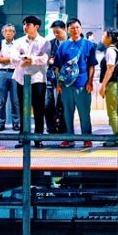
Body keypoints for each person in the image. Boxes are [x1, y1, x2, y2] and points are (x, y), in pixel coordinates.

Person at [55, 18, 97, 148]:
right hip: (66, 86)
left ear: (81, 28)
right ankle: (69, 138)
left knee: (84, 113)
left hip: (83, 84)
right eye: (72, 28)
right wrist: (58, 83)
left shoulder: (88, 45)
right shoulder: (63, 46)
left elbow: (91, 66)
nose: (75, 30)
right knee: (67, 113)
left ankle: (87, 138)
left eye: (77, 27)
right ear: (68, 30)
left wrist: (90, 82)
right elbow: (57, 66)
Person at [12, 16, 50, 148]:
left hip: (38, 78)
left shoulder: (44, 42)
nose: (25, 27)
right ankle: (23, 137)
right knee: (23, 108)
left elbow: (44, 59)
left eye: (28, 24)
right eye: (24, 24)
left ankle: (38, 137)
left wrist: (31, 60)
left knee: (39, 108)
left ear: (36, 26)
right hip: (21, 78)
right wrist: (28, 59)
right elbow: (13, 59)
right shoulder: (18, 42)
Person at [0, 24, 21, 132]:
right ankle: (1, 123)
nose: (8, 33)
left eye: (11, 31)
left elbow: (19, 59)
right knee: (1, 100)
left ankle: (16, 123)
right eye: (6, 31)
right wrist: (12, 59)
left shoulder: (18, 44)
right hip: (2, 73)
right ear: (2, 32)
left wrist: (6, 59)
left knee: (15, 100)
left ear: (14, 33)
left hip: (15, 73)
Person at [44, 20, 68, 136]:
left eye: (58, 32)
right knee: (48, 103)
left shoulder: (70, 43)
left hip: (66, 78)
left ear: (65, 29)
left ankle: (62, 127)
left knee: (62, 103)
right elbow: (45, 59)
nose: (56, 35)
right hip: (51, 77)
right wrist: (50, 61)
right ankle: (50, 127)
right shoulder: (50, 43)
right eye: (54, 32)